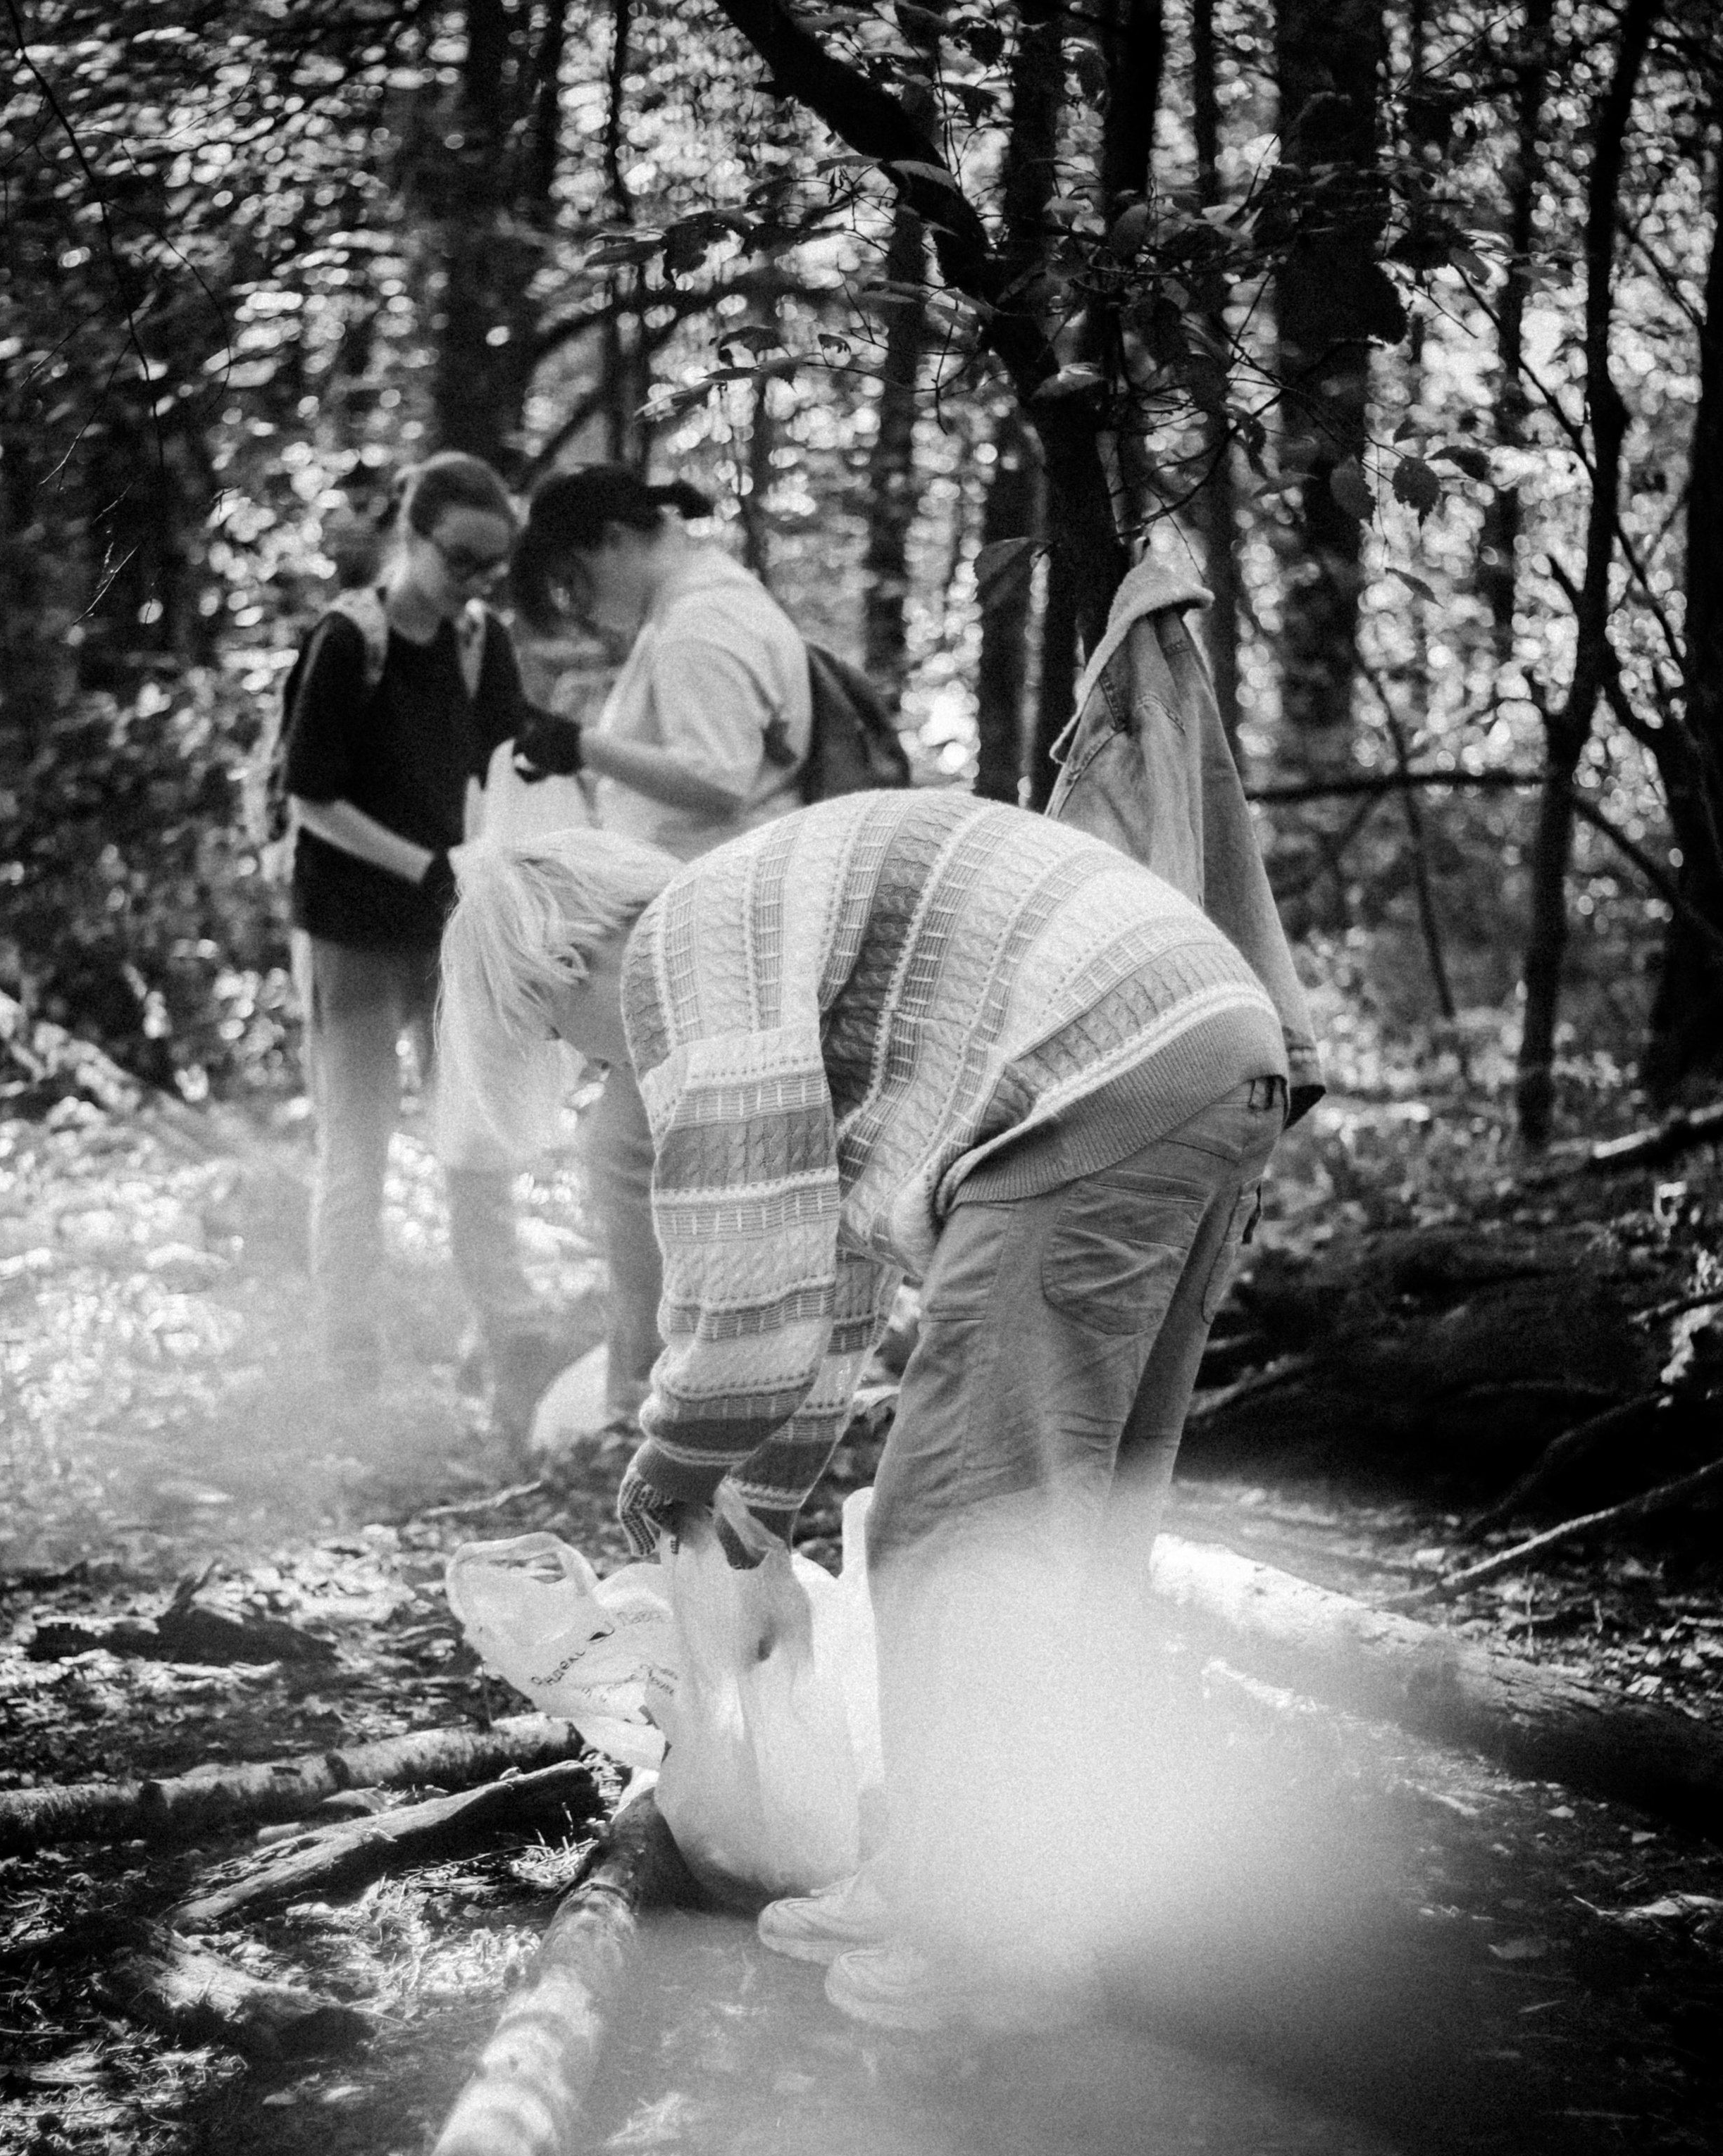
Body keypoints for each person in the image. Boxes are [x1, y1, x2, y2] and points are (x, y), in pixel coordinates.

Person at [440, 792, 1294, 2031]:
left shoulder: (690, 950)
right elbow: (824, 1273)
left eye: (570, 1043)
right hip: (1207, 1055)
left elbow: (745, 1278)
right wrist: (755, 1503)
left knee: (952, 1528)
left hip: (1099, 1088)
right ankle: (1010, 1885)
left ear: (563, 964)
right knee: (1071, 1517)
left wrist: (674, 1463)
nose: (599, 1071)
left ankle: (986, 1941)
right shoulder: (758, 931)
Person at [503, 465, 815, 1424]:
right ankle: (663, 1384)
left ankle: (650, 1392)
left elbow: (718, 777)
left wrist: (581, 745)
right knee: (638, 1159)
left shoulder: (700, 626)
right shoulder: (700, 610)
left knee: (630, 1159)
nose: (583, 606)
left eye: (573, 581)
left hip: (705, 933)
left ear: (609, 541)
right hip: (697, 925)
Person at [282, 448, 567, 1443]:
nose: (477, 584)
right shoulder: (347, 641)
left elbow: (508, 763)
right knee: (355, 1154)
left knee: (474, 1142)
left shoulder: (482, 643)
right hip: (351, 936)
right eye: (462, 561)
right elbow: (310, 798)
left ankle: (510, 1343)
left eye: (494, 567)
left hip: (451, 939)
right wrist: (424, 865)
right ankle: (349, 1372)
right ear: (413, 535)